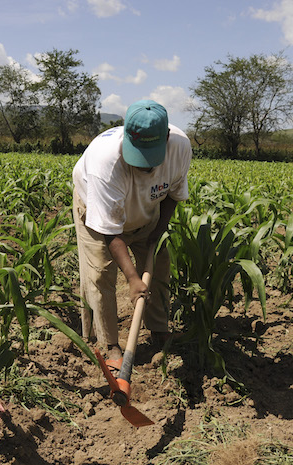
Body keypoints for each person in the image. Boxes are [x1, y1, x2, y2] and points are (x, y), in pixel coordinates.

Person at [72, 99, 192, 366]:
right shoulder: (106, 161)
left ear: (167, 138)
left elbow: (173, 193)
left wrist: (158, 232)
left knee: (159, 265)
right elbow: (111, 231)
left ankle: (159, 330)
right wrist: (132, 278)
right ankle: (110, 344)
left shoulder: (180, 147)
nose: (144, 167)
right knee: (101, 273)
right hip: (99, 212)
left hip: (148, 210)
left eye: (150, 157)